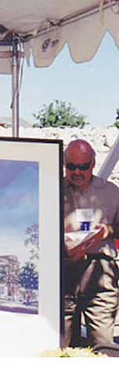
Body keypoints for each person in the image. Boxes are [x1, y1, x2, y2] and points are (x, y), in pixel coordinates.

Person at [63, 139, 119, 348]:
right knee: (61, 345)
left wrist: (108, 230)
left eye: (83, 167)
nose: (77, 172)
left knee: (103, 345)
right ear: (64, 165)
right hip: (64, 272)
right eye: (71, 166)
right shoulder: (54, 190)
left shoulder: (111, 192)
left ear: (93, 164)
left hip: (100, 272)